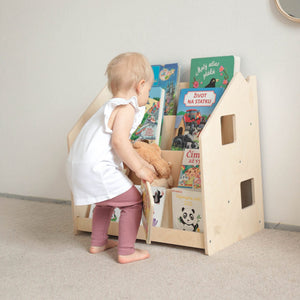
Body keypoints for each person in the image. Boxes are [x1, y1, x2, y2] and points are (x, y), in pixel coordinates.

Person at [66, 52, 156, 264]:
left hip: (77, 168)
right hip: (96, 169)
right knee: (133, 201)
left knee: (104, 202)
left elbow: (117, 147)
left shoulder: (107, 107)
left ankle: (98, 242)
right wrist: (140, 169)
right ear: (140, 86)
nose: (148, 94)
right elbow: (120, 143)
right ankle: (126, 251)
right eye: (149, 90)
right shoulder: (126, 108)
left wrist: (142, 162)